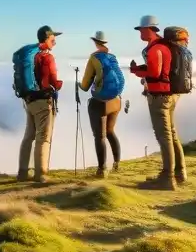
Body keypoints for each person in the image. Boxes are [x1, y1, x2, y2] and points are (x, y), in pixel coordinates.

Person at [128, 15, 186, 190]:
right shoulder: (164, 46)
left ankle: (168, 178)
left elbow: (155, 73)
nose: (140, 33)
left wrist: (137, 72)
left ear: (148, 29)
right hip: (171, 95)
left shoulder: (155, 49)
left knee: (164, 135)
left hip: (159, 97)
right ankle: (180, 173)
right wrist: (140, 69)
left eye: (141, 30)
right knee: (172, 133)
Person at [17, 25, 64, 183]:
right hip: (43, 101)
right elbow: (50, 80)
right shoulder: (46, 57)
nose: (55, 42)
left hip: (28, 100)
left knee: (28, 136)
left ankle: (23, 172)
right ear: (47, 38)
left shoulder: (31, 56)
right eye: (53, 39)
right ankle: (41, 174)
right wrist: (59, 84)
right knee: (43, 137)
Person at [79, 30, 124, 178]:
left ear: (95, 42)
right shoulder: (113, 57)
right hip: (116, 101)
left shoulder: (94, 58)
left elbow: (86, 85)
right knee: (110, 131)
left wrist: (78, 84)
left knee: (99, 136)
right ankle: (117, 164)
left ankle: (102, 169)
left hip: (100, 103)